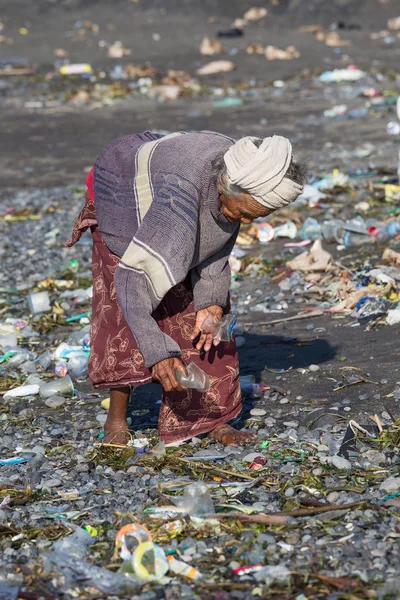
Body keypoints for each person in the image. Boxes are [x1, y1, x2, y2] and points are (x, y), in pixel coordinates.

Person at [68, 131, 306, 446]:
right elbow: (132, 280)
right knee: (124, 315)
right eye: (245, 213)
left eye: (256, 216)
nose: (246, 222)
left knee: (209, 325)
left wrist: (211, 303)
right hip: (122, 191)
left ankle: (211, 417)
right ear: (225, 186)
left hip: (173, 174)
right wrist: (158, 353)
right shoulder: (182, 199)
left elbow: (216, 250)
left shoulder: (240, 173)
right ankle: (116, 418)